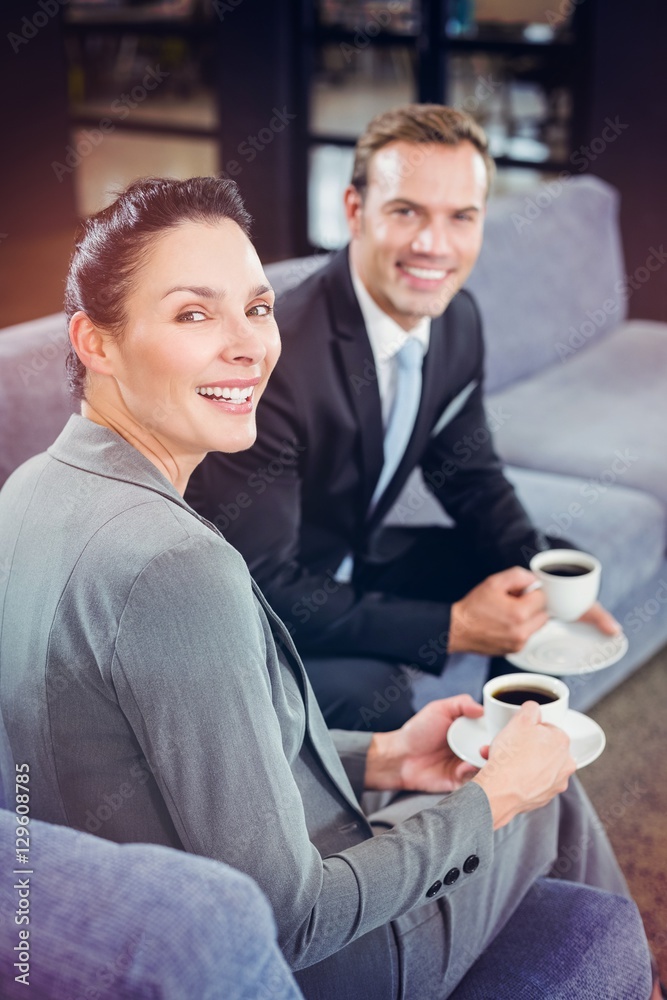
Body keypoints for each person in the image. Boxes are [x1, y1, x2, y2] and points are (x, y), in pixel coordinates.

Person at [0, 177, 654, 1000]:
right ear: (95, 343)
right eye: (195, 314)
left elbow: (172, 754)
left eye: (258, 308)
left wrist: (385, 754)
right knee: (540, 790)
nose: (248, 346)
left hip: (175, 869)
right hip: (332, 962)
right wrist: (492, 797)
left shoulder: (27, 492)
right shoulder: (173, 566)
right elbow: (290, 920)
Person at [185, 105, 620, 731]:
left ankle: (511, 757)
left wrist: (541, 580)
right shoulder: (273, 355)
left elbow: (470, 476)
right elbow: (261, 582)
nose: (433, 245)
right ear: (356, 211)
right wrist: (454, 628)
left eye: (460, 218)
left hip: (354, 557)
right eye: (406, 211)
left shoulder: (457, 320)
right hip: (250, 609)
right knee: (374, 689)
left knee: (545, 570)